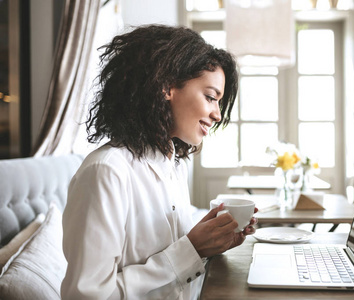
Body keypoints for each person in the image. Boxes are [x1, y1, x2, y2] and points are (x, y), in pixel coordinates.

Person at [61, 24, 258, 299]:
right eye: (211, 97)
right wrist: (192, 249)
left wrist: (210, 241)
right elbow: (88, 296)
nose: (217, 115)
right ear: (166, 87)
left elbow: (174, 260)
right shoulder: (106, 172)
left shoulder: (173, 163)